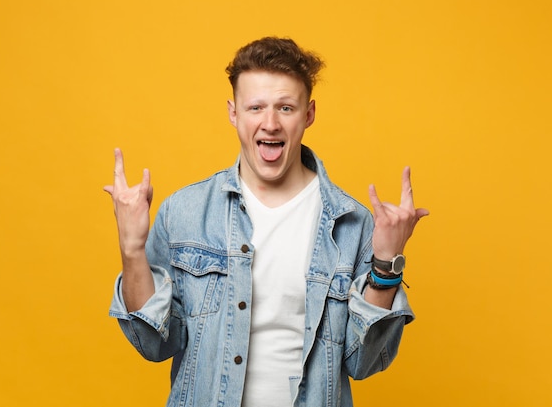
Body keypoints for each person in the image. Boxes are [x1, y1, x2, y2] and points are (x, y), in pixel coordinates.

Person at [104, 36, 429, 407]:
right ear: (233, 113)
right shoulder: (185, 211)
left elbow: (363, 361)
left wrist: (386, 264)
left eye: (286, 108)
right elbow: (154, 344)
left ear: (308, 114)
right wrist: (131, 250)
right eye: (255, 107)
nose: (270, 123)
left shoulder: (353, 223)